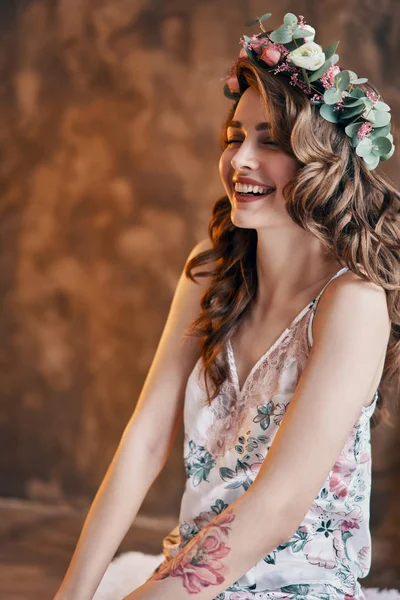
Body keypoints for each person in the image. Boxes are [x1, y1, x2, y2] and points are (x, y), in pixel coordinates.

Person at [53, 11, 400, 600]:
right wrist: (72, 595)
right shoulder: (210, 272)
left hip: (294, 586)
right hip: (188, 572)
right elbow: (142, 442)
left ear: (325, 161)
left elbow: (278, 506)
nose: (240, 160)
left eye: (271, 140)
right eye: (236, 136)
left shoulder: (353, 303)